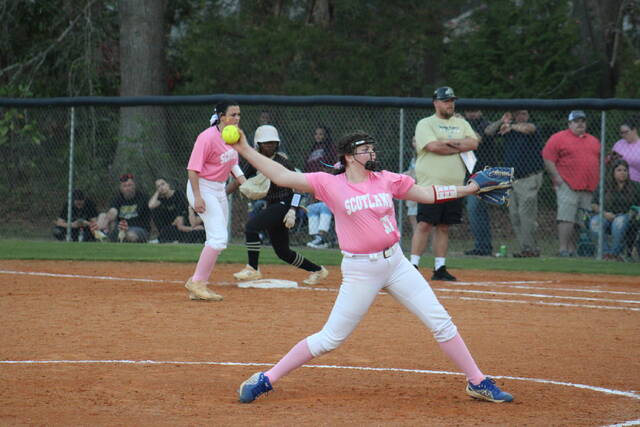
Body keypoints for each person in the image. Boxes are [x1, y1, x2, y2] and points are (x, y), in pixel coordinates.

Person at [229, 130, 514, 404]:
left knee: (440, 322)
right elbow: (281, 175)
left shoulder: (386, 179)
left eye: (372, 148)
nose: (371, 153)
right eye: (365, 150)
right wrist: (243, 148)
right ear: (349, 157)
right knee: (330, 339)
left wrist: (471, 187)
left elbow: (428, 193)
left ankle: (477, 381)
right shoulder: (330, 183)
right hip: (360, 270)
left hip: (397, 264)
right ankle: (266, 378)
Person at [227, 125, 329, 285]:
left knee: (251, 227)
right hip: (273, 205)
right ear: (258, 144)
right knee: (283, 252)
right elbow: (238, 180)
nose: (271, 145)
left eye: (274, 143)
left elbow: (298, 187)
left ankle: (252, 268)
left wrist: (293, 210)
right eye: (266, 143)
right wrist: (220, 195)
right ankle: (317, 270)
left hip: (285, 204)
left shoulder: (283, 162)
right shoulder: (255, 160)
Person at [410, 87, 479, 281]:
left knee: (444, 226)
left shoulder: (461, 122)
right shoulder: (425, 123)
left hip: (455, 185)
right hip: (430, 184)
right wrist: (458, 145)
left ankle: (439, 268)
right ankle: (412, 266)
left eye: (452, 101)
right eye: (446, 100)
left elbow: (473, 143)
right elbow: (433, 147)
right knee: (424, 224)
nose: (450, 104)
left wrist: (445, 143)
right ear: (436, 103)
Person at [183, 100, 247, 301]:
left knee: (219, 238)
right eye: (232, 114)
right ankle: (197, 283)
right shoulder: (206, 138)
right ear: (221, 117)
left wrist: (244, 183)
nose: (236, 118)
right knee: (218, 238)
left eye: (238, 114)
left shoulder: (233, 136)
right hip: (202, 187)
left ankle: (198, 284)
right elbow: (192, 169)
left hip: (219, 189)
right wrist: (198, 197)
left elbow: (232, 164)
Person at [486, 110, 544, 257]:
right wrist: (502, 120)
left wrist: (511, 126)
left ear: (528, 115)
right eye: (517, 114)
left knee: (525, 214)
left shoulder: (531, 128)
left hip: (529, 178)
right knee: (515, 215)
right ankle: (527, 247)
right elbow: (488, 131)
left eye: (524, 114)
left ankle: (529, 249)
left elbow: (528, 128)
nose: (521, 117)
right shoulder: (508, 128)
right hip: (512, 179)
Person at [542, 110, 600, 257]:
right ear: (569, 124)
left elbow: (599, 160)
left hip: (588, 187)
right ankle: (563, 249)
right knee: (566, 218)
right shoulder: (558, 138)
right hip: (568, 185)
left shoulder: (593, 140)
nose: (580, 123)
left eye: (583, 121)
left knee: (581, 221)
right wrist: (557, 177)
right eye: (576, 121)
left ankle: (573, 250)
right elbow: (548, 158)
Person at [589, 159, 640, 260]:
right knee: (594, 222)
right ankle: (606, 254)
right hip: (606, 215)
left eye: (625, 170)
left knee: (619, 221)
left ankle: (614, 254)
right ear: (613, 172)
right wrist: (604, 213)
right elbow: (594, 204)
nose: (622, 173)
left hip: (627, 217)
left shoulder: (635, 186)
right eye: (619, 170)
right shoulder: (604, 185)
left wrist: (634, 213)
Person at [463, 110, 495, 256]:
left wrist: (461, 124)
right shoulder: (462, 125)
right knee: (475, 211)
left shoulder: (484, 124)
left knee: (475, 208)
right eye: (471, 111)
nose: (473, 114)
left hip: (483, 174)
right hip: (467, 174)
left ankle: (483, 247)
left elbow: (477, 139)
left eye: (476, 111)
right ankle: (481, 246)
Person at [304, 126, 337, 249]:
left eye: (321, 134)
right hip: (313, 184)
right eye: (316, 134)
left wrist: (327, 175)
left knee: (324, 206)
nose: (318, 136)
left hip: (326, 186)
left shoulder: (331, 148)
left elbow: (334, 167)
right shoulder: (313, 148)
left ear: (326, 136)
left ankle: (323, 238)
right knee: (311, 208)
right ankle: (317, 238)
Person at [95, 173, 151, 243]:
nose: (127, 188)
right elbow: (113, 211)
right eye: (124, 186)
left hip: (138, 229)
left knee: (130, 235)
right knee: (102, 216)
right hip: (120, 229)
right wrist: (107, 220)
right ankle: (102, 238)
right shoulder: (118, 198)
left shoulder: (143, 197)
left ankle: (112, 240)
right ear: (121, 188)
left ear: (134, 186)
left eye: (129, 185)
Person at [148, 178, 189, 243]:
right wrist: (157, 192)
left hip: (182, 221)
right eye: (158, 186)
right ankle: (170, 239)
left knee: (167, 230)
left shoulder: (178, 194)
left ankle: (169, 239)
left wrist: (178, 220)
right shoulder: (162, 199)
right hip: (169, 224)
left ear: (168, 185)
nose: (161, 187)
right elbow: (151, 205)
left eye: (163, 184)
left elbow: (181, 212)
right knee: (155, 212)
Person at [611, 117, 640, 183]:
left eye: (626, 132)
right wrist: (612, 158)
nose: (624, 135)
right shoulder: (619, 143)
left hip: (637, 183)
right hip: (619, 183)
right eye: (622, 133)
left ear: (634, 130)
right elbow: (610, 160)